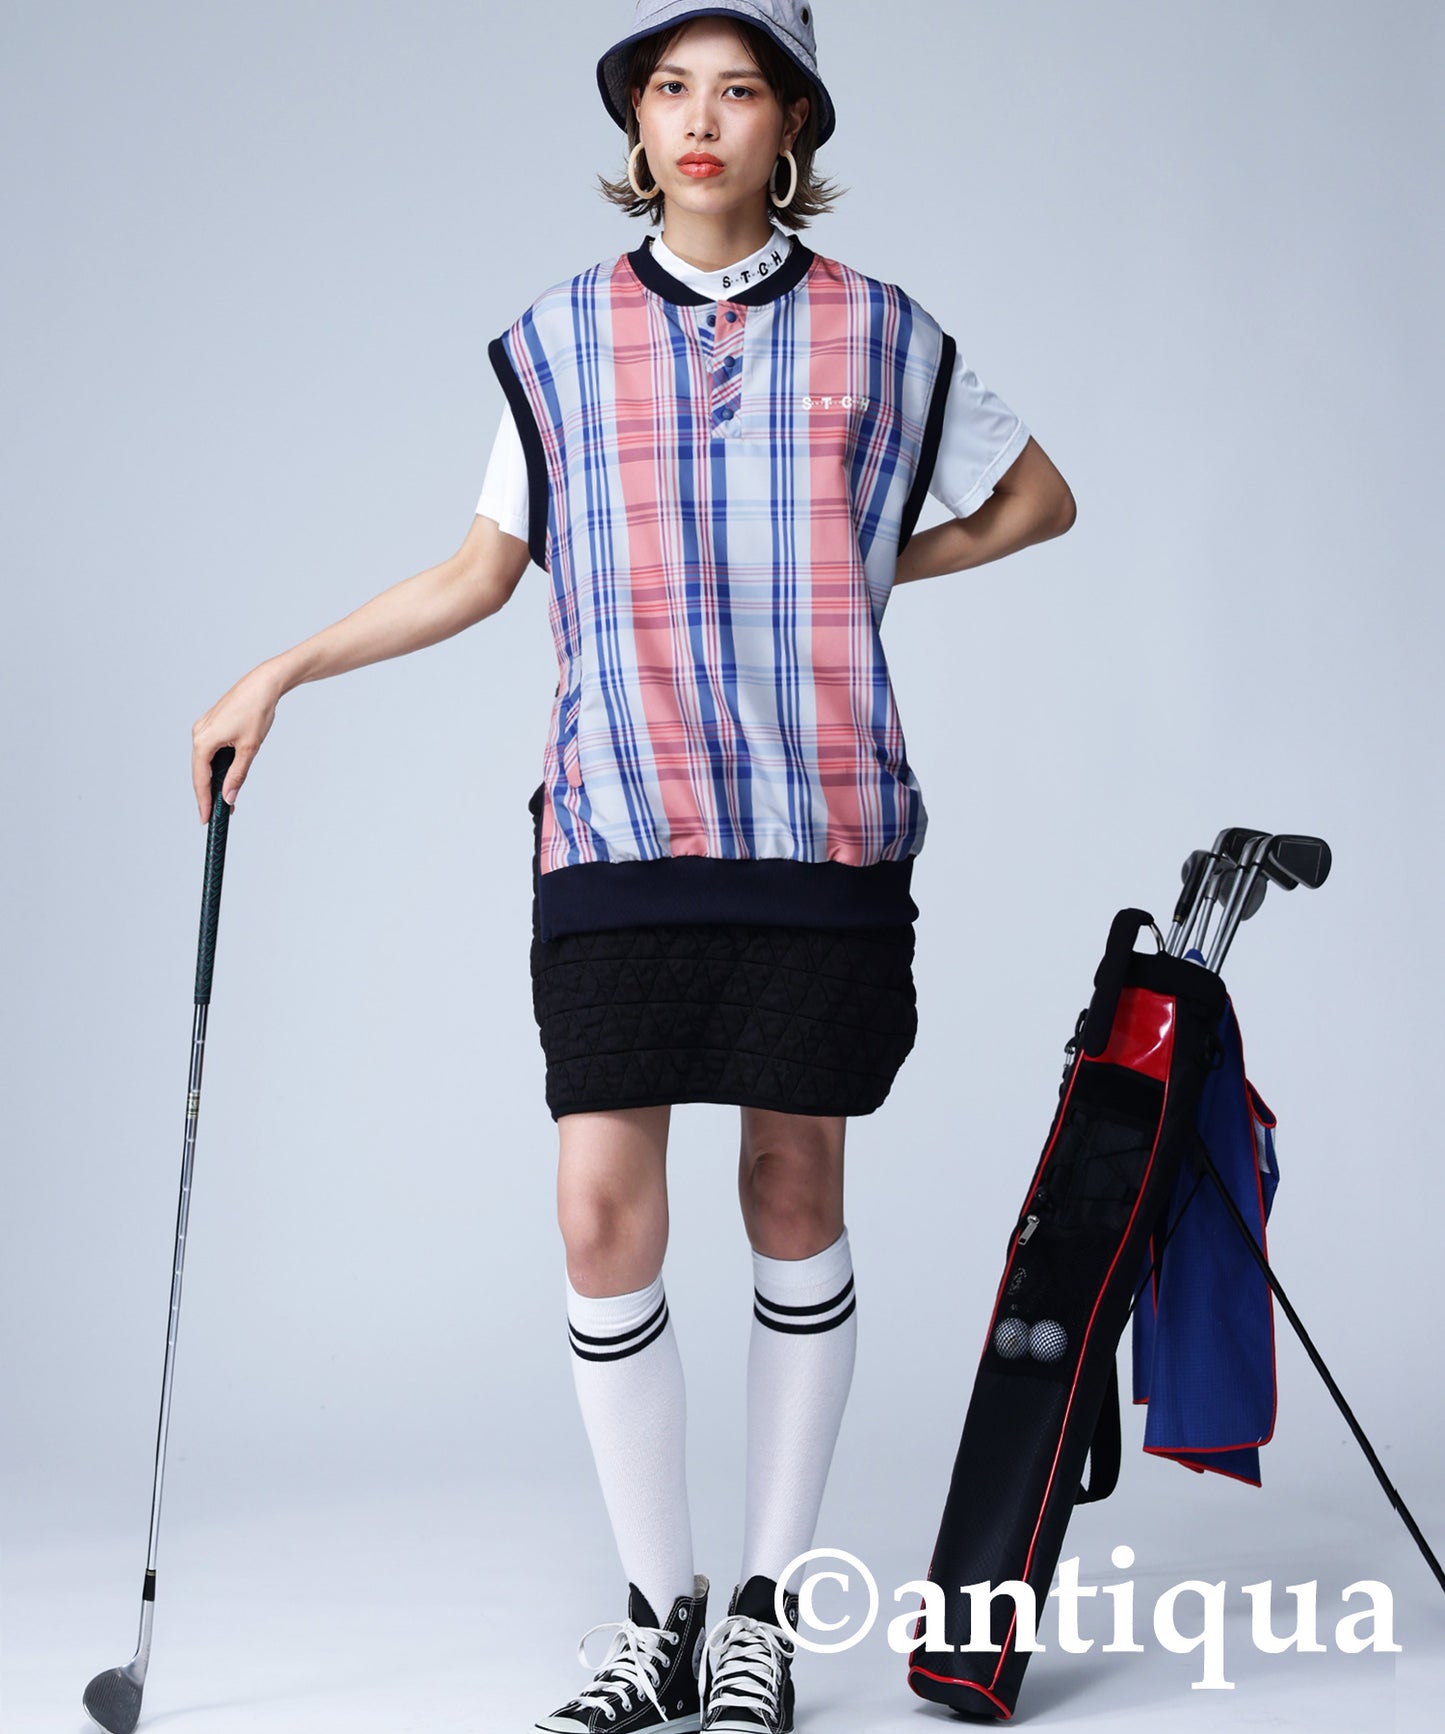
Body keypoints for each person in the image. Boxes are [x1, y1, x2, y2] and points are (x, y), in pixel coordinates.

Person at [190, 2, 1076, 1728]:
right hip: (615, 817)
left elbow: (1036, 499)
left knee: (793, 1192)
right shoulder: (558, 338)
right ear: (636, 121)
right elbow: (478, 569)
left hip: (814, 820)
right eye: (669, 87)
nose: (699, 118)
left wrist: (851, 563)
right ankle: (653, 1607)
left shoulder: (883, 332)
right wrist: (277, 671)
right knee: (601, 1209)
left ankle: (761, 1614)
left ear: (793, 122)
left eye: (738, 88)